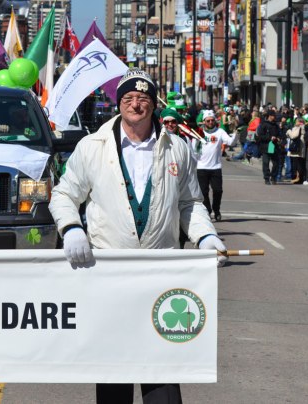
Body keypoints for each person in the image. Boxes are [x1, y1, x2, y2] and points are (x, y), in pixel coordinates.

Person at [48, 68, 227, 404]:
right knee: (114, 371)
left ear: (153, 105)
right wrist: (71, 228)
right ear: (119, 104)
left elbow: (190, 203)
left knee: (162, 370)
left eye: (143, 99)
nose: (136, 105)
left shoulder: (178, 149)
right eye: (128, 98)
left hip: (161, 275)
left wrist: (205, 237)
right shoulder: (92, 146)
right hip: (108, 273)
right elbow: (64, 195)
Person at [192, 110, 236, 221]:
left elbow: (230, 142)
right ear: (204, 121)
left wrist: (237, 133)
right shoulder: (199, 132)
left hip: (215, 167)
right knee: (204, 192)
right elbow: (193, 149)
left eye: (212, 120)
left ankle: (216, 210)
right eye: (208, 120)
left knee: (218, 191)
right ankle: (208, 210)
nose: (211, 122)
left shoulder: (220, 132)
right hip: (201, 167)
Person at [257, 110, 281, 185]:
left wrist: (279, 138)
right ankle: (266, 178)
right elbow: (260, 136)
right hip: (266, 145)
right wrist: (270, 137)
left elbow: (279, 134)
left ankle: (273, 177)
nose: (275, 117)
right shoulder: (263, 124)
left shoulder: (276, 125)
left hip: (274, 146)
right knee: (266, 163)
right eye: (273, 116)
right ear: (270, 116)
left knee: (276, 163)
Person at [286, 117, 306, 184]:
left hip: (296, 149)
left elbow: (293, 136)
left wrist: (288, 131)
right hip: (300, 148)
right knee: (299, 164)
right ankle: (299, 178)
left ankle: (297, 178)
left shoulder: (299, 128)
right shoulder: (304, 128)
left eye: (296, 121)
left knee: (296, 164)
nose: (295, 122)